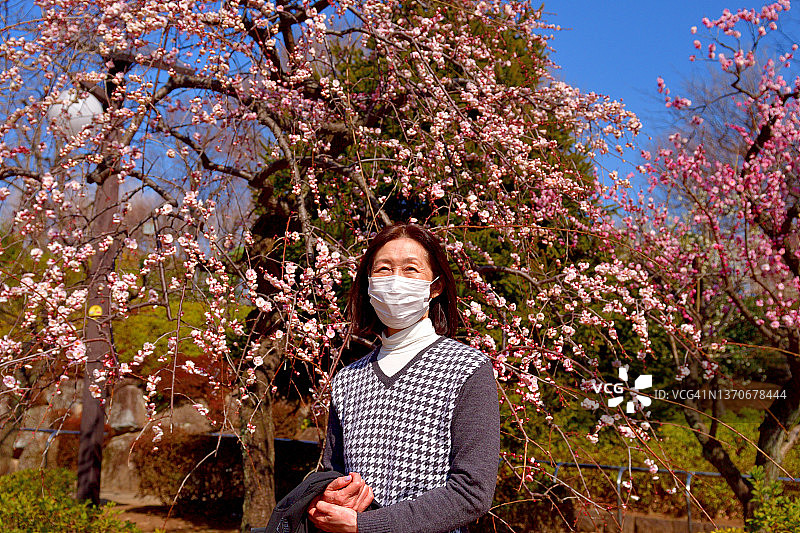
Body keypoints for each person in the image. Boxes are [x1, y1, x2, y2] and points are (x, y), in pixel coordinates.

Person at [307, 223, 501, 533]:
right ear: (369, 284)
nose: (396, 280)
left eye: (411, 269)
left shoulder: (468, 369)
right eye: (383, 269)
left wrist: (368, 525)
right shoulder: (347, 380)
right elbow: (333, 473)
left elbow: (471, 492)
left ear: (435, 286)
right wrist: (331, 495)